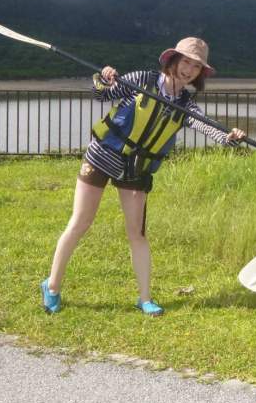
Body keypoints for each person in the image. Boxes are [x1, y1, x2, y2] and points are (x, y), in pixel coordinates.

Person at [41, 37, 245, 316]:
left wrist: (230, 137)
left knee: (137, 233)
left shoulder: (186, 104)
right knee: (80, 223)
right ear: (173, 59)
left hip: (136, 168)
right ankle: (52, 286)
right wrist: (105, 78)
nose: (189, 70)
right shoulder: (141, 79)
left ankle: (144, 298)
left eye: (196, 67)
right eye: (186, 61)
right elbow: (102, 94)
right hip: (102, 155)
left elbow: (209, 128)